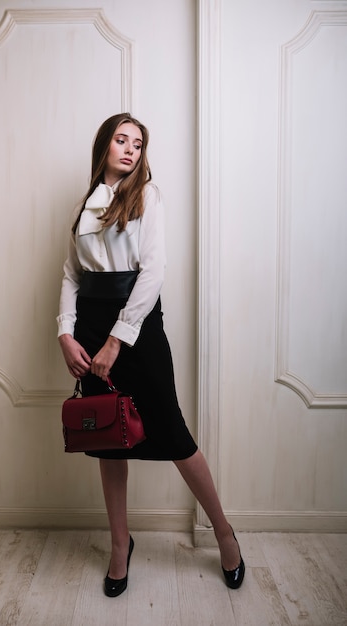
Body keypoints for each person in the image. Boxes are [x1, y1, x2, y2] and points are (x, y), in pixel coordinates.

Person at [57, 113, 245, 597]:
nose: (130, 150)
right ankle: (120, 544)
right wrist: (65, 333)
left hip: (135, 329)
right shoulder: (86, 205)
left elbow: (153, 271)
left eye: (137, 144)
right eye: (121, 140)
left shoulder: (148, 196)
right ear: (104, 145)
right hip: (91, 326)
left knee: (175, 434)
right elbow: (71, 276)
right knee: (106, 438)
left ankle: (223, 530)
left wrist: (116, 341)